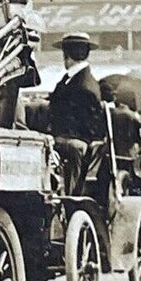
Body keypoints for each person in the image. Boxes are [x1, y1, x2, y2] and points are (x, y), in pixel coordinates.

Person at [48, 32, 105, 187]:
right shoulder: (76, 80)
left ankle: (66, 192)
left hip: (74, 141)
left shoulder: (82, 84)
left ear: (66, 55)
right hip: (72, 139)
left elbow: (86, 126)